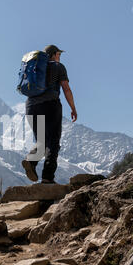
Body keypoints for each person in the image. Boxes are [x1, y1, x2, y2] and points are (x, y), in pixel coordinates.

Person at [22, 44, 78, 184]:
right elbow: (66, 89)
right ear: (53, 54)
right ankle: (47, 177)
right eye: (58, 54)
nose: (59, 57)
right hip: (50, 106)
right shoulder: (58, 67)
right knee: (52, 142)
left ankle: (31, 161)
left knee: (41, 140)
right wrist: (73, 108)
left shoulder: (35, 67)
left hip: (31, 107)